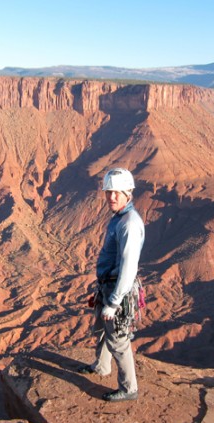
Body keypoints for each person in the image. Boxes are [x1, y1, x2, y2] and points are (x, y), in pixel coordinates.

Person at [78, 168, 145, 402]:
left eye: (117, 192)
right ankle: (101, 366)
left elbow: (128, 267)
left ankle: (129, 389)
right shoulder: (119, 218)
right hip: (107, 285)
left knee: (117, 338)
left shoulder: (129, 223)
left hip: (118, 289)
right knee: (101, 330)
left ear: (128, 193)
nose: (111, 197)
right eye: (108, 192)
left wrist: (114, 302)